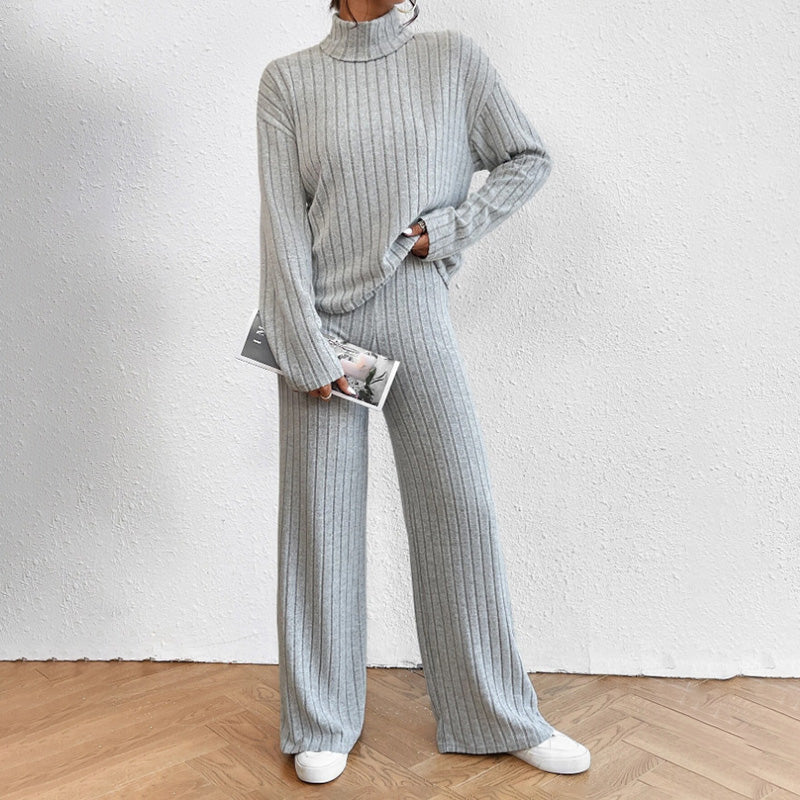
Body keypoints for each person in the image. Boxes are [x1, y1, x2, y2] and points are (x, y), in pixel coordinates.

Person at [256, 0, 591, 785]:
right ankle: (321, 718)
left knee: (459, 508)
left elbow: (526, 158)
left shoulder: (453, 61)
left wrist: (448, 230)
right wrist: (303, 347)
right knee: (320, 522)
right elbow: (280, 226)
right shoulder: (288, 82)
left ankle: (494, 713)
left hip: (416, 311)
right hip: (323, 329)